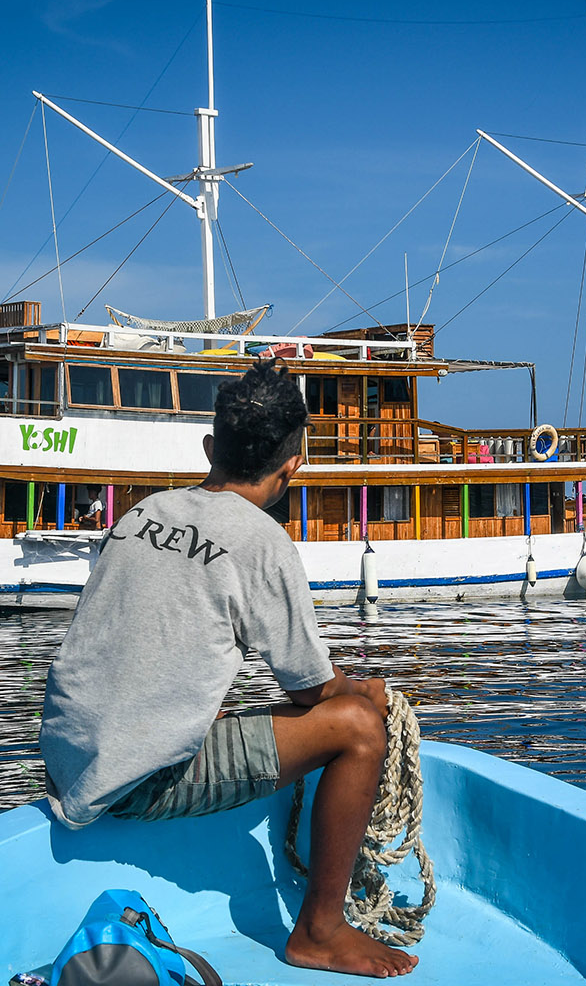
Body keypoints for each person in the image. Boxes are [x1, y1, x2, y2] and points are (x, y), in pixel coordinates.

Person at [39, 360, 418, 978]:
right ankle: (320, 932)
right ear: (295, 464)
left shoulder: (143, 511)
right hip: (133, 779)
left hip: (67, 756)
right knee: (357, 727)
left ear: (210, 447)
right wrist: (365, 690)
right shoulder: (261, 541)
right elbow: (311, 688)